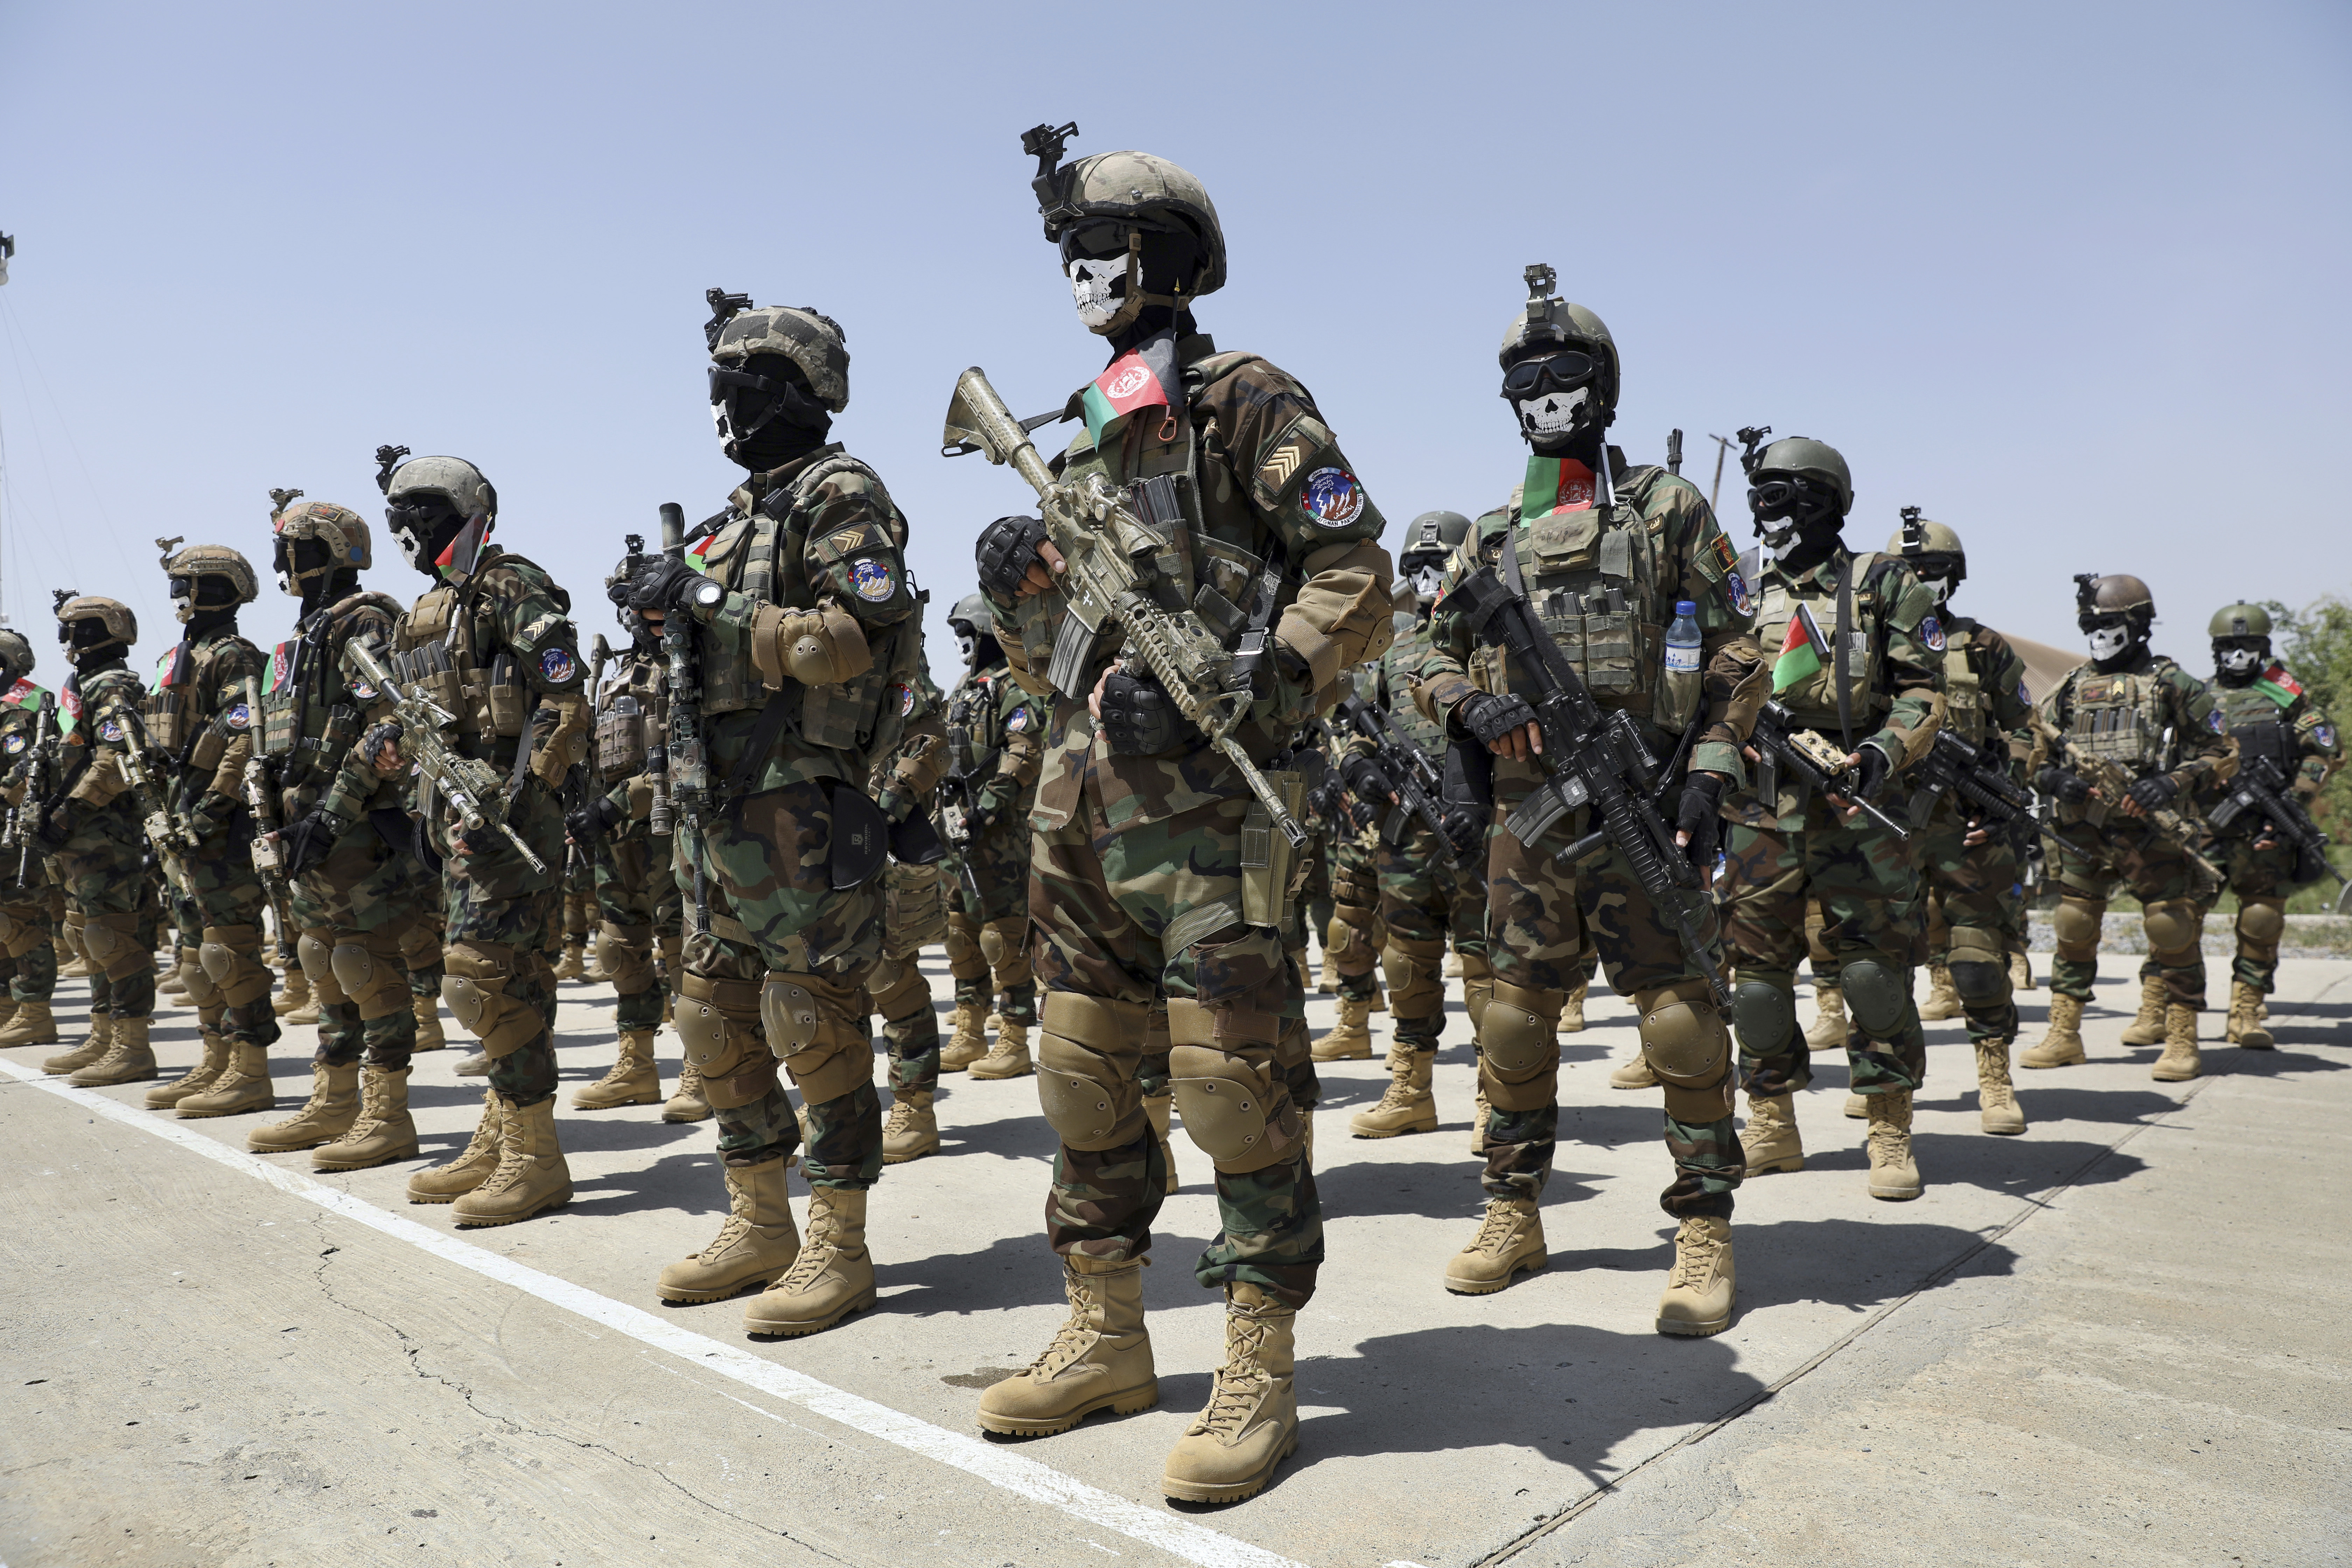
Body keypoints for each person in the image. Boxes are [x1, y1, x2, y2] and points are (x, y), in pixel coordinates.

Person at [969, 132, 1395, 1503]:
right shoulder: (1090, 428)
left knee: (1232, 1089)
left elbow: (1353, 574)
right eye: (1068, 251)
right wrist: (1023, 598)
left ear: (1164, 257)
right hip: (1079, 817)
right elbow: (1056, 663)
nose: (1083, 272)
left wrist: (1269, 679)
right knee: (1081, 1072)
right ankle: (1107, 1332)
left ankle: (1257, 1355)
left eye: (1101, 243)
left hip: (1217, 818)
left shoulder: (1243, 401)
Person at [1414, 269, 1751, 1330]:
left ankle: (1702, 1222)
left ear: (1602, 386)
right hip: (1529, 820)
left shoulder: (1664, 507)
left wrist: (1711, 768)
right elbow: (1418, 652)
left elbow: (1741, 649)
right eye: (1526, 379)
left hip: (1641, 799)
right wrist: (1463, 702)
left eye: (1565, 375)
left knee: (1682, 1019)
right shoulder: (1490, 533)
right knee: (1511, 1017)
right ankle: (1512, 1208)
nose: (1545, 394)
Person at [628, 294, 927, 1332]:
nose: (721, 404)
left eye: (737, 385)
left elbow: (857, 636)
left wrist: (704, 602)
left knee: (814, 1021)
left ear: (793, 391)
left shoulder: (839, 497)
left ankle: (838, 1240)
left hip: (807, 807)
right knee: (710, 1014)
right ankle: (758, 1216)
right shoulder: (727, 521)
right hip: (716, 815)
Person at [347, 449, 587, 1222]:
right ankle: (504, 1130)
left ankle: (535, 1156)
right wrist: (419, 802)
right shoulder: (436, 608)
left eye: (424, 512)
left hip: (512, 820)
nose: (410, 529)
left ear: (465, 513)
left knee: (482, 976)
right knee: (506, 980)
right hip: (457, 822)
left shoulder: (512, 585)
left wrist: (526, 791)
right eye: (401, 516)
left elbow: (566, 702)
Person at [1713, 435, 1945, 1199]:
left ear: (1824, 501)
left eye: (1782, 493)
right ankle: (1772, 1122)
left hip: (1857, 798)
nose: (1766, 509)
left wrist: (1887, 749)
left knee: (1874, 972)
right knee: (1755, 981)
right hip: (1759, 803)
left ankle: (1889, 1123)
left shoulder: (1882, 582)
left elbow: (1924, 688)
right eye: (1761, 494)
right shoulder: (1739, 582)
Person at [239, 496, 438, 1165]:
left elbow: (388, 726)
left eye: (292, 550)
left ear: (324, 553)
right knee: (323, 962)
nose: (281, 564)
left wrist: (333, 814)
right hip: (309, 828)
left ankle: (390, 1114)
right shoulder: (306, 634)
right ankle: (334, 1100)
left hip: (354, 830)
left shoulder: (366, 620)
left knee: (364, 965)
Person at [2021, 575, 2233, 1080]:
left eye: (2109, 623)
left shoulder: (2172, 683)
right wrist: (2054, 779)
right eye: (2090, 624)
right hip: (2084, 829)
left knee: (2171, 928)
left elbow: (2223, 752)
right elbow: (2031, 749)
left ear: (2137, 624)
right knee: (2073, 926)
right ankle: (2065, 1033)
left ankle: (2182, 1036)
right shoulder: (2071, 687)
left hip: (2151, 830)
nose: (2098, 633)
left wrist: (2170, 783)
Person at [1331, 510, 1493, 1138]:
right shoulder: (1391, 650)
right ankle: (1411, 1087)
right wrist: (1360, 773)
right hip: (1405, 833)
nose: (1426, 579)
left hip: (1475, 833)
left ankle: (1494, 1096)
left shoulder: (1488, 643)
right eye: (1414, 568)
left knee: (1484, 970)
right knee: (1405, 965)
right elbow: (1350, 728)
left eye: (1439, 565)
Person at [1883, 514, 2036, 1133]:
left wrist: (2007, 790)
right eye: (1910, 573)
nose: (1923, 581)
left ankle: (1995, 1077)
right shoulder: (1868, 643)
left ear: (1956, 578)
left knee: (1975, 959)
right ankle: (1889, 1092)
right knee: (1881, 965)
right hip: (1886, 823)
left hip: (1966, 827)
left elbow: (2025, 729)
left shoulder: (1983, 646)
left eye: (1935, 572)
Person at [123, 541, 283, 1124]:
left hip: (220, 826)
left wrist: (214, 806)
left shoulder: (234, 655)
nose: (175, 597)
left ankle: (249, 1068)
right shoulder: (178, 657)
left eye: (183, 586)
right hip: (180, 821)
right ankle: (216, 1057)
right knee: (195, 951)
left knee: (229, 950)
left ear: (210, 591)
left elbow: (244, 735)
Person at [564, 553, 694, 1116]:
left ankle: (701, 1069)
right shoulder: (616, 673)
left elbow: (682, 757)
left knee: (685, 955)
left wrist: (612, 806)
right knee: (621, 950)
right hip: (619, 845)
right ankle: (636, 1064)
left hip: (673, 833)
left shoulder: (691, 667)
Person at [2197, 602, 2341, 1049]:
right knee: (2175, 917)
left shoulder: (2286, 696)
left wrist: (2296, 797)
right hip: (2206, 826)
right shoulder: (2198, 697)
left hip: (2267, 826)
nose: (2238, 655)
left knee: (2261, 920)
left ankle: (2247, 1009)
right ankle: (2165, 1003)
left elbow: (2324, 748)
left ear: (2264, 647)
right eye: (2229, 646)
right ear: (2216, 649)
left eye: (2248, 646)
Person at [33, 595, 160, 1085]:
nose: (67, 641)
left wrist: (69, 812)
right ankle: (104, 1035)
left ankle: (132, 1046)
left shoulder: (111, 685)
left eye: (74, 630)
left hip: (104, 835)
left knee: (113, 938)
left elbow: (115, 760)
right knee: (89, 935)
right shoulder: (82, 686)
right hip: (80, 837)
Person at [938, 593, 1043, 1080]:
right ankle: (970, 1030)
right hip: (960, 832)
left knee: (1004, 938)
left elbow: (1023, 752)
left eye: (968, 633)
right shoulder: (963, 689)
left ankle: (1016, 1037)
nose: (962, 643)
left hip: (1000, 834)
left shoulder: (1012, 687)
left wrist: (987, 808)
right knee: (960, 935)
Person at [0, 634, 63, 1049]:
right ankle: (9, 1006)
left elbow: (23, 776)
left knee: (22, 922)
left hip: (11, 831)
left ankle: (35, 1012)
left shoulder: (22, 707)